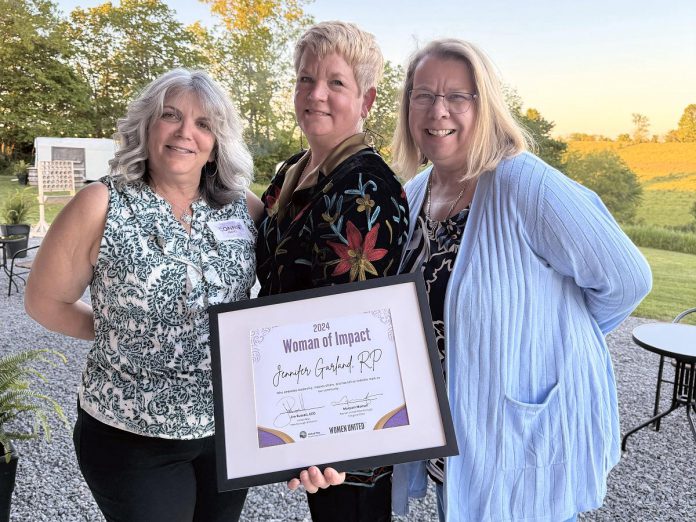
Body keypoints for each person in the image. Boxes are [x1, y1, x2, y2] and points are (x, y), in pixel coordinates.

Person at [23, 68, 337, 522]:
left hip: (227, 433)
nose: (186, 133)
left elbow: (283, 307)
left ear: (216, 142)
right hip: (133, 432)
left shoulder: (243, 207)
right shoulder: (101, 204)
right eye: (171, 116)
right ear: (147, 126)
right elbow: (43, 301)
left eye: (204, 123)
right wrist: (120, 331)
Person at [390, 39, 652, 522]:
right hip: (454, 445)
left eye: (457, 96)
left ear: (484, 104)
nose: (438, 110)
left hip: (519, 437)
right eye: (423, 94)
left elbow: (628, 279)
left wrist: (557, 338)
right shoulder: (412, 194)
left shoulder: (525, 185)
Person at [256, 21, 410, 522]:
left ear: (365, 100)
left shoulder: (368, 188)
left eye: (335, 83)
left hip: (345, 424)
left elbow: (359, 334)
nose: (316, 94)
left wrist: (329, 440)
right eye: (306, 79)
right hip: (298, 390)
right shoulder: (292, 169)